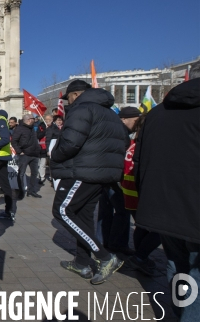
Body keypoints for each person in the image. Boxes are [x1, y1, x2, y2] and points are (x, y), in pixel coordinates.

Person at [134, 64, 200, 320]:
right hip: (195, 209)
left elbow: (139, 162)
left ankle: (181, 311)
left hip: (161, 207)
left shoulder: (156, 114)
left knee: (177, 266)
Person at [50, 79, 129, 285]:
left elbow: (70, 142)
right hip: (103, 174)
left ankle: (105, 257)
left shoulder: (81, 109)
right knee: (83, 217)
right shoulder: (110, 114)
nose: (68, 102)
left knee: (63, 211)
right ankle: (82, 262)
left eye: (68, 98)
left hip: (82, 171)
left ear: (75, 95)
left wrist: (55, 156)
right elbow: (125, 141)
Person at [116, 110, 161, 276]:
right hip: (138, 191)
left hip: (129, 191)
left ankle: (140, 257)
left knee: (142, 226)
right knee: (160, 229)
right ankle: (140, 257)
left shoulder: (135, 141)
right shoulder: (146, 143)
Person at [96, 106, 138, 256]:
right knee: (122, 210)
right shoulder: (121, 132)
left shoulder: (110, 129)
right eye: (135, 120)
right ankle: (118, 243)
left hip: (104, 174)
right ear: (124, 119)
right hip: (115, 176)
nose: (137, 124)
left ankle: (102, 240)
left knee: (105, 210)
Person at [12, 114, 42, 198]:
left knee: (34, 173)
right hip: (24, 154)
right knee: (21, 173)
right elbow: (14, 141)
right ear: (28, 120)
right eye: (33, 118)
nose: (35, 120)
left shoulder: (32, 128)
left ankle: (31, 191)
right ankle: (20, 191)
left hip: (35, 154)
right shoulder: (20, 128)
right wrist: (19, 151)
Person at [37, 114, 53, 184]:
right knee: (42, 164)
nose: (47, 121)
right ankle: (42, 177)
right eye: (46, 119)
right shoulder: (41, 126)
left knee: (51, 163)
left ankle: (52, 177)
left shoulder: (54, 127)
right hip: (42, 147)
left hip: (52, 147)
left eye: (49, 119)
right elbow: (38, 135)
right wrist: (45, 131)